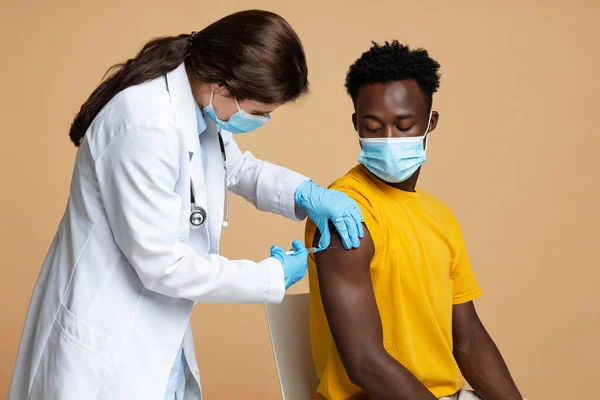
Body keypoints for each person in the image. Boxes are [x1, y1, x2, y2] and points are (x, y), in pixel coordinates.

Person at [8, 10, 364, 400]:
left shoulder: (199, 107)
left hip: (157, 334)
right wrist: (270, 277)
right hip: (107, 339)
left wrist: (305, 193)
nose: (263, 121)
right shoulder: (145, 123)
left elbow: (236, 166)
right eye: (260, 113)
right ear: (220, 83)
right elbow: (162, 264)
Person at [306, 41, 523, 400]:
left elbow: (467, 337)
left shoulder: (439, 216)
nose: (389, 140)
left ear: (429, 123)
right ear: (356, 124)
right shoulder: (344, 212)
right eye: (373, 127)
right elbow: (365, 363)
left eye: (404, 125)